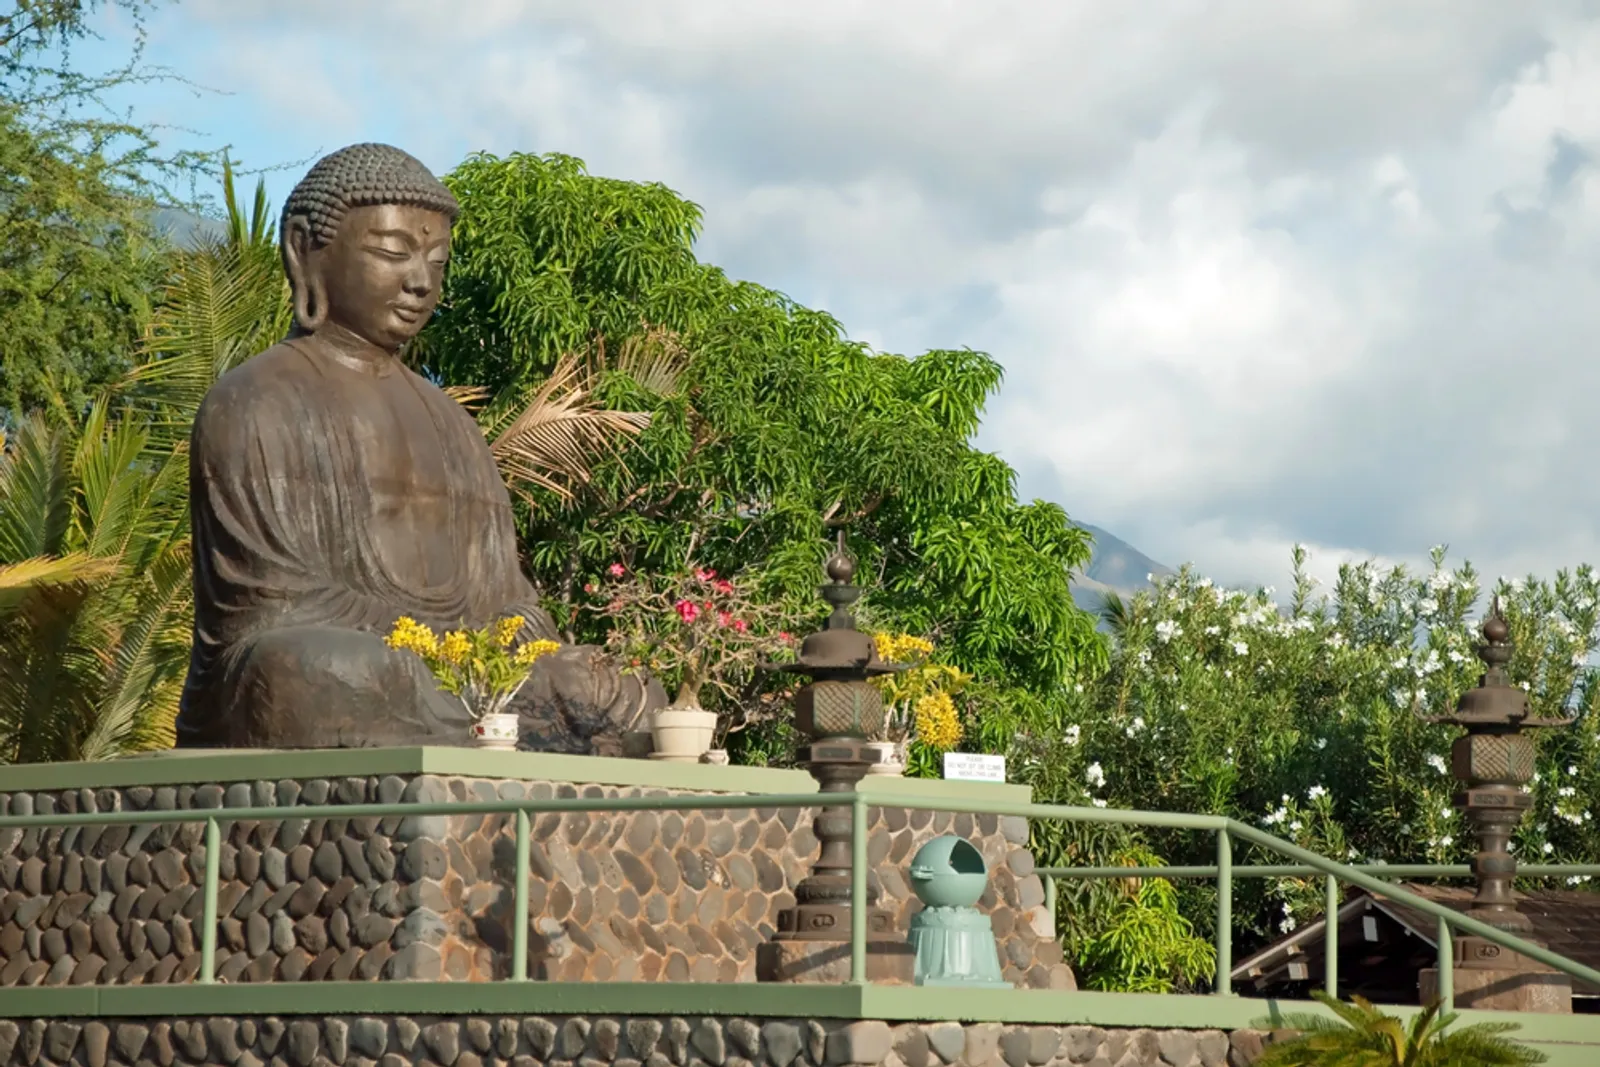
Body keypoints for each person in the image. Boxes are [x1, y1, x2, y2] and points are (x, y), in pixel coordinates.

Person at [176, 143, 660, 751]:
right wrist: (432, 649)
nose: (420, 281)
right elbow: (273, 599)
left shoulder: (452, 423)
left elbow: (508, 599)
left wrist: (525, 655)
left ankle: (480, 730)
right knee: (316, 668)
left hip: (460, 674)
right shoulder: (255, 399)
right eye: (392, 252)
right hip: (350, 667)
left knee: (623, 686)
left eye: (437, 261)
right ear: (304, 249)